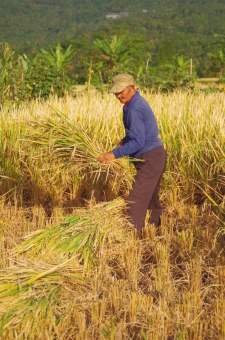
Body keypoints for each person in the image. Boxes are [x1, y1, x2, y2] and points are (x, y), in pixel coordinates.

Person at [98, 73, 167, 233]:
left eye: (121, 91)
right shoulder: (131, 105)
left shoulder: (134, 108)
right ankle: (156, 230)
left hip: (150, 158)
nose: (118, 95)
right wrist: (123, 141)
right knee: (150, 197)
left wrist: (113, 154)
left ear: (132, 88)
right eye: (116, 92)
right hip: (154, 156)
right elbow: (135, 134)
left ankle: (132, 238)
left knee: (135, 200)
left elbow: (138, 142)